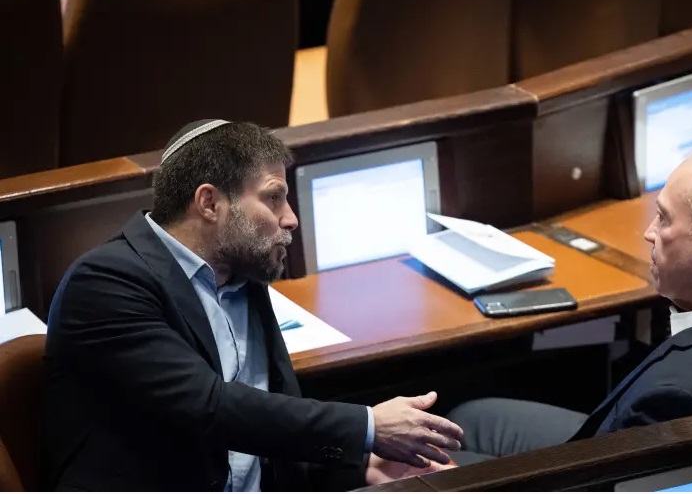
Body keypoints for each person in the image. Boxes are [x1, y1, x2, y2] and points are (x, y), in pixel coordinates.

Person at [43, 120, 463, 491]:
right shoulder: (106, 282)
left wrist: (358, 467)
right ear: (210, 203)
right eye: (274, 198)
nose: (290, 218)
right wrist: (368, 428)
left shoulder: (242, 274)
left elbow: (266, 441)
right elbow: (209, 408)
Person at [448, 143, 692, 464]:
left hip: (594, 470)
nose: (648, 232)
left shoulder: (677, 398)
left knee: (428, 460)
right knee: (470, 419)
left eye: (664, 218)